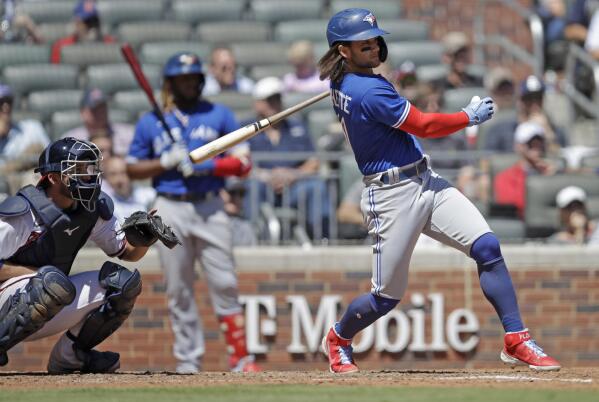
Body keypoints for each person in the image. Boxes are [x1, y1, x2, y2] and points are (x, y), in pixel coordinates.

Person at [317, 8, 561, 373]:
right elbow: (425, 125)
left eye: (372, 38)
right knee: (385, 298)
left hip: (425, 180)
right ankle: (339, 337)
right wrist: (467, 117)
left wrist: (345, 76)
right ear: (342, 51)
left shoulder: (349, 82)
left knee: (487, 246)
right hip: (391, 195)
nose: (370, 45)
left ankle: (516, 338)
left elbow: (357, 87)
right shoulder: (366, 89)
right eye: (359, 42)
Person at [126, 52, 259, 373]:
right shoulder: (151, 121)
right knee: (178, 288)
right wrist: (165, 162)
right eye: (182, 79)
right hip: (170, 206)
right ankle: (188, 361)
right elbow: (131, 169)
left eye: (193, 78)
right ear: (171, 84)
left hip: (210, 204)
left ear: (201, 80)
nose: (189, 84)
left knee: (225, 281)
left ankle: (240, 357)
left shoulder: (219, 114)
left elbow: (243, 163)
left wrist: (205, 164)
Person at [0, 137, 159, 373]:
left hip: (48, 298)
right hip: (10, 303)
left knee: (123, 284)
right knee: (51, 282)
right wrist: (39, 275)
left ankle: (70, 357)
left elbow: (127, 252)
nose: (88, 176)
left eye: (90, 169)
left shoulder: (90, 208)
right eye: (78, 170)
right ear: (53, 177)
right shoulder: (23, 214)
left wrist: (144, 238)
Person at [244, 76, 331, 240]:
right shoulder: (245, 129)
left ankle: (322, 241)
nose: (274, 104)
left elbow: (313, 161)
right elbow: (239, 161)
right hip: (261, 186)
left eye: (277, 98)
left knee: (316, 187)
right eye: (269, 100)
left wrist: (293, 175)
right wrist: (267, 176)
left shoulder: (296, 126)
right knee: (252, 187)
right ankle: (254, 241)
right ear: (257, 103)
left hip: (294, 187)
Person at [483, 75, 567, 153]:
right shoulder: (500, 131)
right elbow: (488, 161)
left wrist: (548, 135)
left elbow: (561, 162)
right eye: (528, 99)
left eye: (538, 98)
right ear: (519, 101)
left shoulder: (555, 131)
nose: (535, 105)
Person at [494, 122, 557, 219]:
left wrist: (551, 179)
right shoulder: (505, 177)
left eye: (539, 141)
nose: (536, 146)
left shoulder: (553, 173)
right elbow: (511, 205)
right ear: (518, 146)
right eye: (530, 143)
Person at [63, 88, 134, 157]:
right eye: (95, 109)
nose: (100, 112)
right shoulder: (71, 141)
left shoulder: (128, 134)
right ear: (83, 113)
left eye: (103, 107)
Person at [0, 84, 50, 174]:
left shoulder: (32, 128)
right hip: (4, 183)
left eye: (8, 101)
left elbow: (50, 158)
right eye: (1, 102)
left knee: (36, 149)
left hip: (30, 179)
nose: (6, 107)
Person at [51, 0, 115, 64]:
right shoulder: (62, 46)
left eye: (94, 21)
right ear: (77, 23)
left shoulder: (110, 44)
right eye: (87, 22)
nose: (91, 26)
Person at [102, 156, 156, 220]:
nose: (119, 179)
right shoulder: (102, 200)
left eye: (123, 173)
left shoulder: (145, 195)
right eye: (113, 174)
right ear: (105, 176)